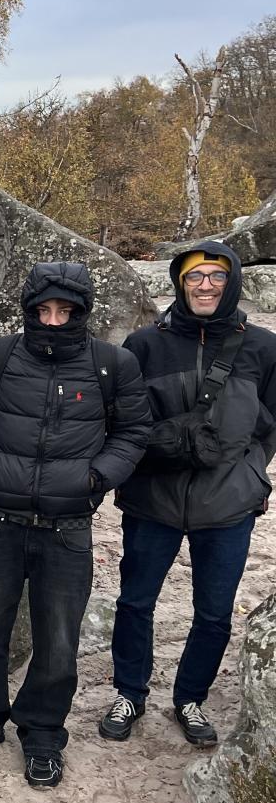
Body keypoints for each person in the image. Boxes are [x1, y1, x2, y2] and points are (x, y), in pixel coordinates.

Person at [0, 263, 150, 788]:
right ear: (29, 310)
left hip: (69, 527)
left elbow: (133, 432)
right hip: (0, 520)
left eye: (65, 311)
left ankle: (41, 734)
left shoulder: (113, 364)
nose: (53, 320)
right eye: (44, 310)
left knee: (58, 641)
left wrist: (94, 478)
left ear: (82, 312)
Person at [104, 244, 276, 748]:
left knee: (215, 612)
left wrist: (250, 472)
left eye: (216, 277)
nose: (205, 286)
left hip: (228, 505)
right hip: (152, 498)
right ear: (180, 283)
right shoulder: (144, 344)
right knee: (135, 602)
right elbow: (122, 418)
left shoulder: (263, 348)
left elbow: (271, 425)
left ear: (233, 282)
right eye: (195, 276)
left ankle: (190, 699)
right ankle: (129, 693)